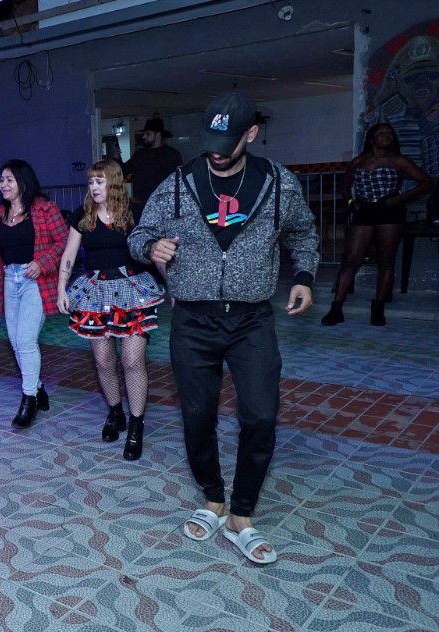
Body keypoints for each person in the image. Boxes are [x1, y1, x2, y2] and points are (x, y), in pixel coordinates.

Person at [128, 91, 319, 566]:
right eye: (210, 141)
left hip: (252, 319)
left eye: (227, 141)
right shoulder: (179, 183)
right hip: (194, 320)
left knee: (260, 416)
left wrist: (303, 276)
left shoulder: (278, 183)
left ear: (250, 134)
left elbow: (303, 232)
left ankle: (242, 514)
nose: (215, 151)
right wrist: (151, 248)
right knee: (197, 416)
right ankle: (213, 498)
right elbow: (139, 233)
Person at [57, 160, 163, 459]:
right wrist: (61, 288)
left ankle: (136, 425)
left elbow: (155, 252)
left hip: (133, 291)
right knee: (104, 362)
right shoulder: (83, 215)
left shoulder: (134, 213)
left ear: (114, 182)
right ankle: (115, 412)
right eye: (91, 182)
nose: (94, 187)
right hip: (95, 293)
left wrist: (173, 287)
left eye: (100, 181)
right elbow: (69, 253)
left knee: (131, 360)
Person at [0, 160, 68, 429]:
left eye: (9, 179)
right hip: (9, 280)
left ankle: (28, 399)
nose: (3, 184)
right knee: (15, 341)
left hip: (36, 281)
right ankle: (38, 388)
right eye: (1, 180)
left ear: (23, 181)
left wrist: (42, 263)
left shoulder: (45, 209)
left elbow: (65, 242)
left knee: (25, 340)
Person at [321, 123, 432, 327]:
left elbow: (427, 182)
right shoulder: (358, 162)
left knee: (385, 260)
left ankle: (378, 308)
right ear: (371, 138)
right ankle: (336, 308)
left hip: (389, 209)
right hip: (364, 209)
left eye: (390, 133)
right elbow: (344, 187)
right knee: (350, 260)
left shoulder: (399, 160)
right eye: (381, 132)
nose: (386, 135)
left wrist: (399, 199)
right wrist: (351, 202)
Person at [123, 116, 183, 216]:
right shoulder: (140, 154)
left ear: (158, 135)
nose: (144, 137)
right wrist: (116, 159)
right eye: (144, 134)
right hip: (140, 204)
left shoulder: (171, 155)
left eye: (148, 134)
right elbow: (124, 171)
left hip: (162, 205)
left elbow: (177, 181)